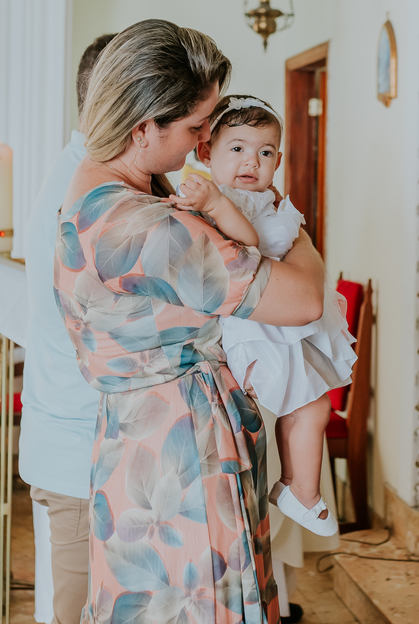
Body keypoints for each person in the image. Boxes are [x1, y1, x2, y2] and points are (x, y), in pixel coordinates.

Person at [56, 20, 325, 624]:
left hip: (147, 450)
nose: (204, 140)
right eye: (195, 127)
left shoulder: (103, 188)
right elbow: (305, 298)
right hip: (180, 468)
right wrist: (294, 227)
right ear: (143, 126)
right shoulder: (141, 228)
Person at [171, 94, 355, 537]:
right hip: (252, 330)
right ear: (205, 152)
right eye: (237, 148)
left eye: (266, 152)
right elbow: (249, 241)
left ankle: (295, 487)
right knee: (309, 409)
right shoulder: (214, 198)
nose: (251, 160)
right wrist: (215, 203)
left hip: (274, 327)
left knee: (309, 409)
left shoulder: (256, 198)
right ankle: (300, 492)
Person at [20, 32, 117, 624]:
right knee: (77, 614)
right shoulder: (84, 194)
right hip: (79, 449)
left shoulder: (85, 176)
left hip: (85, 441)